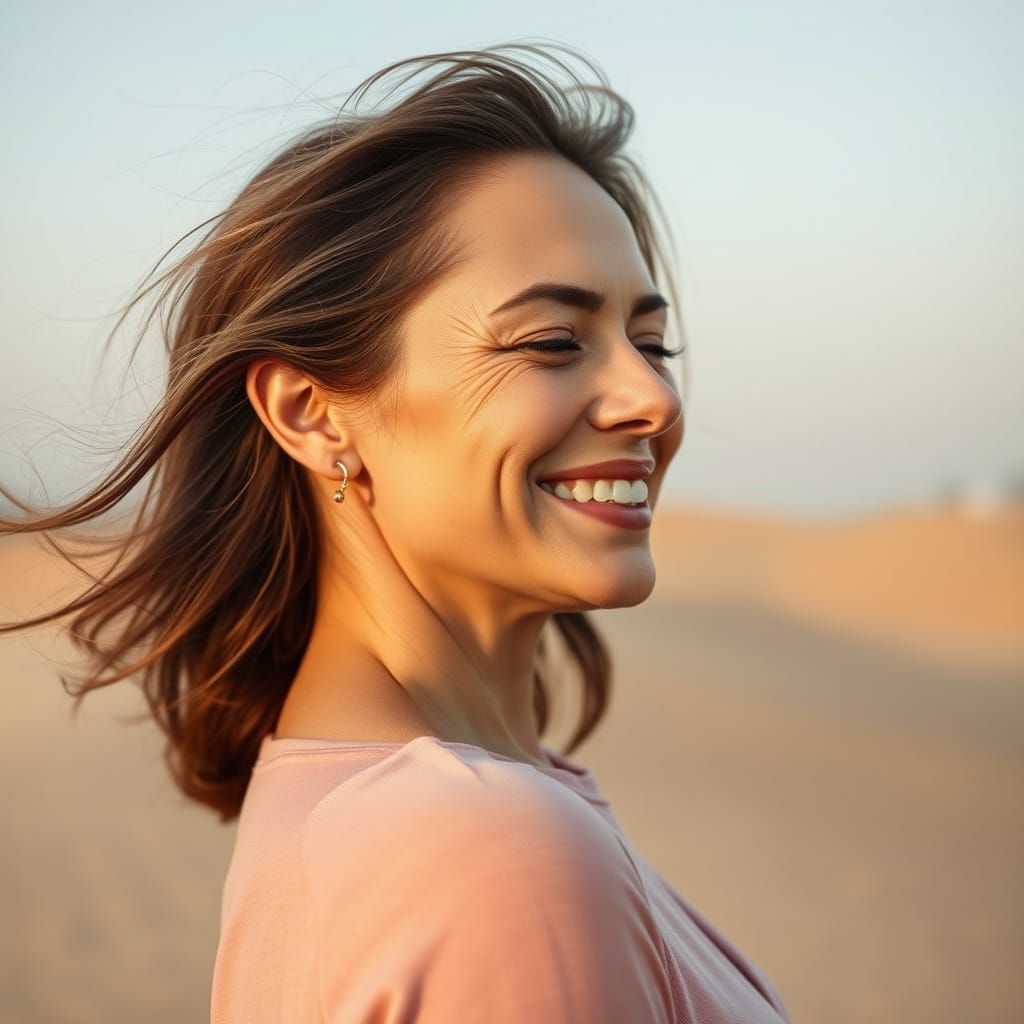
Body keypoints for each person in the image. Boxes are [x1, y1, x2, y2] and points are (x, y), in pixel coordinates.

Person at [0, 42, 790, 1023]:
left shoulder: (395, 808)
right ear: (312, 412)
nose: (651, 399)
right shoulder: (491, 851)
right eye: (552, 340)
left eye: (650, 341)